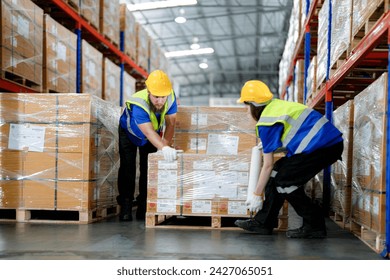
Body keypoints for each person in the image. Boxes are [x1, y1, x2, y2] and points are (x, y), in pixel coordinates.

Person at [234, 80, 343, 238]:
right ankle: (263, 223)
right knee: (278, 173)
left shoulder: (266, 122)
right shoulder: (275, 106)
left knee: (285, 182)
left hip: (323, 147)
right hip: (321, 144)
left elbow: (267, 165)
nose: (246, 111)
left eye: (246, 106)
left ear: (253, 105)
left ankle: (315, 225)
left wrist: (257, 195)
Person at [117, 69, 178, 221]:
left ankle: (143, 206)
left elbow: (171, 124)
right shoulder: (138, 103)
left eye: (163, 97)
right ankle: (126, 205)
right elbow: (149, 132)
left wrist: (164, 145)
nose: (160, 101)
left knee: (148, 167)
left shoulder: (170, 97)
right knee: (128, 167)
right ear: (149, 92)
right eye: (156, 97)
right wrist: (162, 147)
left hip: (153, 135)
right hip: (130, 132)